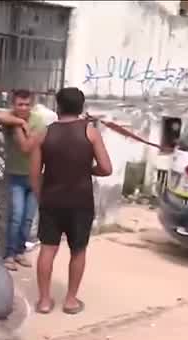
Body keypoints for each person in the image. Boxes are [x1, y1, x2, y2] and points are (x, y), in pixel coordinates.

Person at [29, 87, 112, 315]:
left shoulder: (43, 134)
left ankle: (44, 301)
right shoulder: (90, 132)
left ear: (58, 106)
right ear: (81, 107)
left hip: (52, 200)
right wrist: (87, 169)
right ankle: (71, 301)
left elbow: (35, 173)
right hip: (80, 201)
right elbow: (106, 168)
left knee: (47, 249)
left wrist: (40, 197)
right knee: (78, 250)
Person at [0, 89, 47, 271]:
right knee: (16, 216)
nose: (23, 107)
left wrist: (18, 125)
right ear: (13, 105)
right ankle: (9, 254)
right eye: (19, 104)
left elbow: (27, 146)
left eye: (27, 104)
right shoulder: (12, 118)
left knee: (27, 218)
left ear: (32, 105)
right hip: (15, 175)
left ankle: (19, 251)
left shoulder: (39, 120)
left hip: (34, 175)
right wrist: (19, 122)